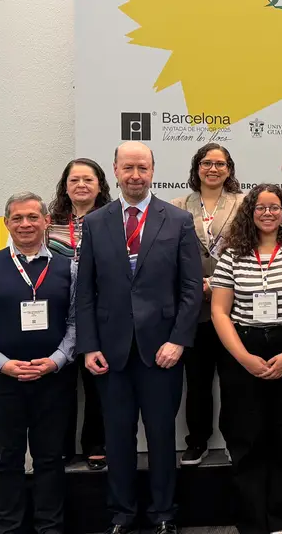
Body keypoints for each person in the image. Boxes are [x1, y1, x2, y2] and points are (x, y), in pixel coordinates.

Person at [77, 141, 202, 534]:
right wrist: (89, 345)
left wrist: (179, 340)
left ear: (153, 171)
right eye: (128, 167)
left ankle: (164, 513)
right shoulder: (96, 223)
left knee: (163, 435)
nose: (135, 175)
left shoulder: (178, 220)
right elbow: (86, 291)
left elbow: (190, 288)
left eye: (142, 168)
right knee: (117, 437)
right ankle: (122, 513)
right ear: (114, 170)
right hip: (110, 352)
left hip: (162, 350)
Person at [0, 192, 77, 534]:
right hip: (1, 383)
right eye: (17, 218)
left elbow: (76, 323)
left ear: (45, 222)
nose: (25, 224)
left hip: (53, 381)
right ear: (6, 223)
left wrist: (56, 361)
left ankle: (50, 528)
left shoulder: (68, 268)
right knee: (7, 459)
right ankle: (8, 528)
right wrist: (2, 364)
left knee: (51, 460)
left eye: (32, 217)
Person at [210, 183, 282, 534]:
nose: (268, 213)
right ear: (250, 212)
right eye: (260, 207)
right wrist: (244, 358)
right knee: (246, 439)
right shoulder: (231, 255)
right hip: (242, 349)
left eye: (275, 207)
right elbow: (218, 311)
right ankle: (252, 521)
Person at [171, 142, 244, 466]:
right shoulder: (177, 206)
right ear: (196, 168)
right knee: (197, 381)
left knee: (234, 380)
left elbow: (248, 250)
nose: (213, 169)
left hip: (234, 305)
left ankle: (234, 438)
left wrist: (220, 284)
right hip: (193, 306)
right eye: (206, 163)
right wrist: (193, 286)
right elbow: (168, 258)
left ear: (229, 169)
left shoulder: (243, 205)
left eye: (220, 163)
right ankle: (196, 441)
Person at [47, 158, 111, 471]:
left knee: (97, 380)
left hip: (98, 310)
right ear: (65, 186)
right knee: (60, 382)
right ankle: (60, 446)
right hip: (56, 311)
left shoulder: (112, 219)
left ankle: (95, 443)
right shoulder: (49, 221)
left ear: (100, 185)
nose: (81, 185)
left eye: (88, 180)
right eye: (74, 180)